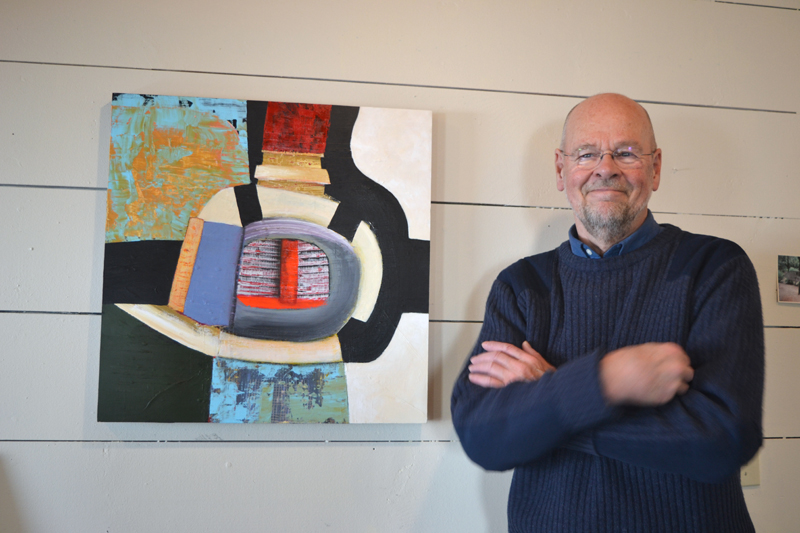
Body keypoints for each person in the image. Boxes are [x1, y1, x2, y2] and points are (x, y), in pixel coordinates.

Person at [451, 93, 764, 532]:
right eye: (587, 153)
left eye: (626, 152)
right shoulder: (521, 286)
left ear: (655, 169)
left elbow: (721, 440)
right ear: (561, 171)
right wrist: (609, 380)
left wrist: (551, 391)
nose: (605, 167)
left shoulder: (714, 267)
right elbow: (483, 434)